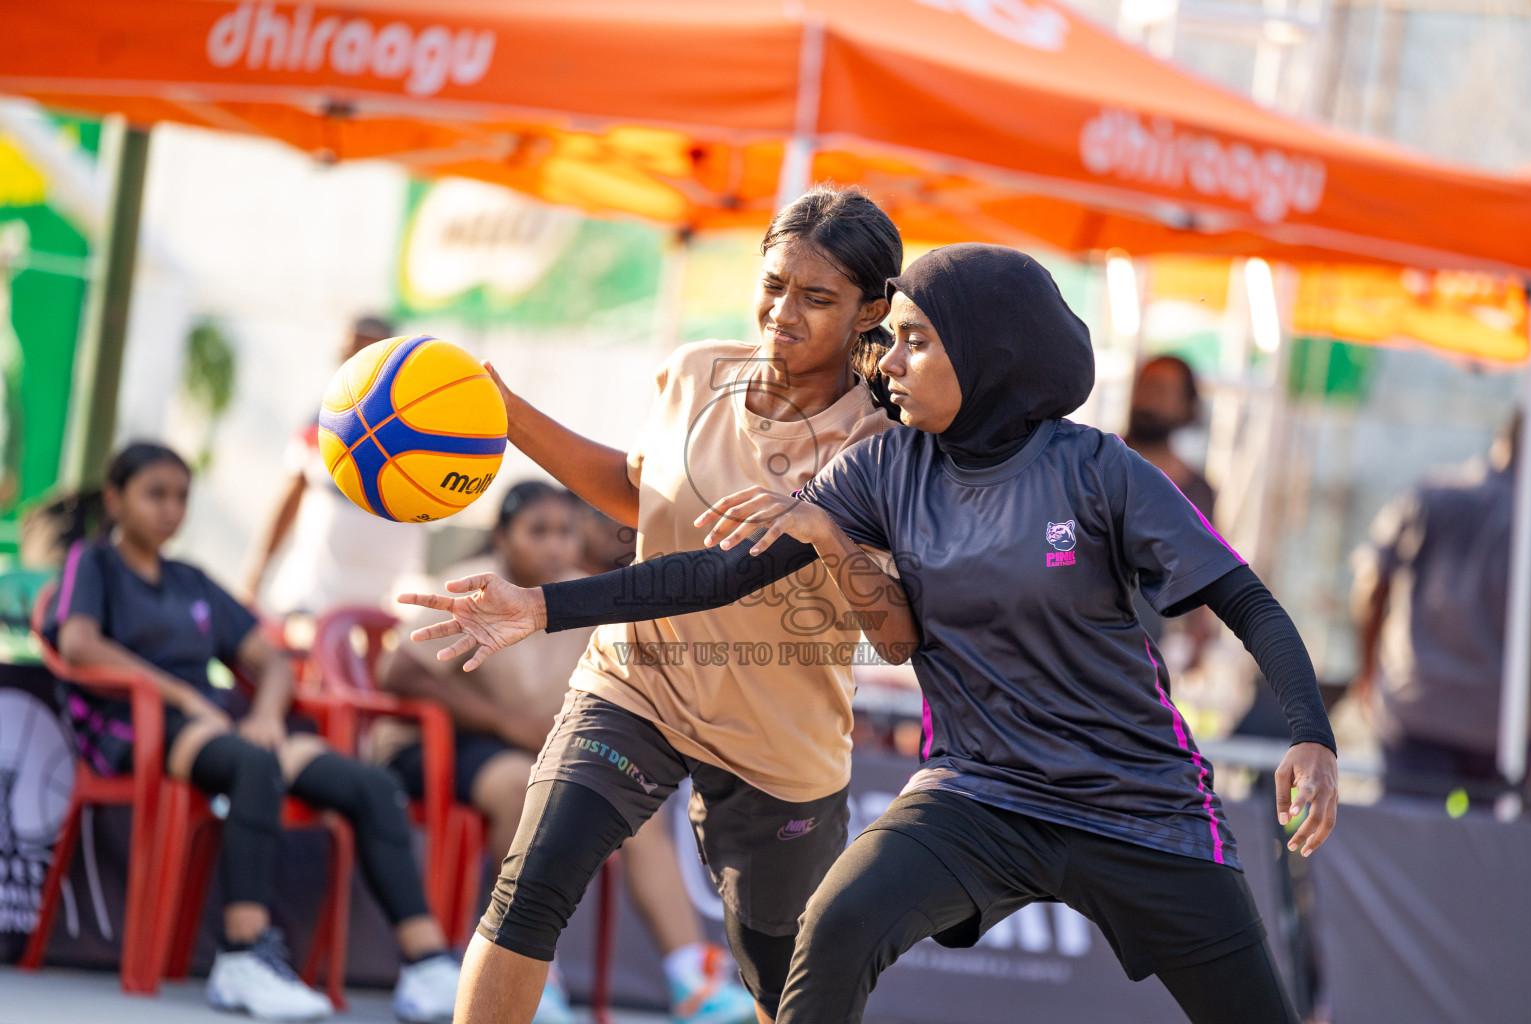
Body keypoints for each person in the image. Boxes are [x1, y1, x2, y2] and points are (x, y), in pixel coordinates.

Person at [407, 245, 1341, 1024]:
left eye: (915, 342)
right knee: (839, 920)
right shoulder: (884, 467)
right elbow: (713, 572)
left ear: (988, 354)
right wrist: (541, 609)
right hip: (981, 792)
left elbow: (1249, 601)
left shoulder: (1100, 471)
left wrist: (1311, 732)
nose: (886, 363)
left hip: (1139, 803)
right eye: (889, 340)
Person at [403, 184, 909, 1024]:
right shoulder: (693, 372)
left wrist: (542, 605)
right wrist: (508, 416)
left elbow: (719, 572)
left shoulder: (882, 444)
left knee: (785, 988)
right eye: (775, 284)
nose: (782, 312)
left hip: (778, 736)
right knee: (529, 890)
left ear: (871, 311)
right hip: (636, 687)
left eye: (817, 299)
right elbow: (641, 496)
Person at [45, 443, 460, 1024]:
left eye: (181, 498)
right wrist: (185, 694)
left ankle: (426, 965)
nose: (170, 510)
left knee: (368, 785)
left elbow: (271, 661)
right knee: (252, 765)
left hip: (219, 729)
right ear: (115, 499)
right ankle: (243, 956)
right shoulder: (93, 564)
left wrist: (267, 713)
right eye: (155, 494)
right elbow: (78, 644)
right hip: (130, 724)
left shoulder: (190, 581)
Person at [377, 481, 758, 1024]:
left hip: (538, 753)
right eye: (538, 532)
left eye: (565, 531)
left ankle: (694, 982)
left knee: (635, 806)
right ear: (501, 537)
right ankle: (528, 973)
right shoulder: (466, 584)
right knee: (519, 785)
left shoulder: (582, 593)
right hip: (441, 749)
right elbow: (397, 670)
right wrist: (506, 723)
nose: (554, 545)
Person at [1350, 414, 1531, 805]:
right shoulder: (1524, 516)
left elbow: (1371, 585)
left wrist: (1366, 670)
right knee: (1489, 856)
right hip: (1500, 722)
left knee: (1403, 849)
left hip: (1417, 704)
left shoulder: (1431, 493)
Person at [247, 315, 426, 614]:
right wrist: (258, 570)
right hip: (315, 593)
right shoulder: (322, 418)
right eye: (348, 352)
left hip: (387, 600)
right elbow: (292, 491)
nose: (353, 361)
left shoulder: (424, 424)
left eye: (365, 352)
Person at [1124, 355, 1217, 660]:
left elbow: (1203, 575)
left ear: (1186, 407)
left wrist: (1198, 636)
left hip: (1144, 658)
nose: (1148, 399)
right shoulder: (1089, 465)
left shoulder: (1197, 492)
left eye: (1162, 390)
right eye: (1145, 386)